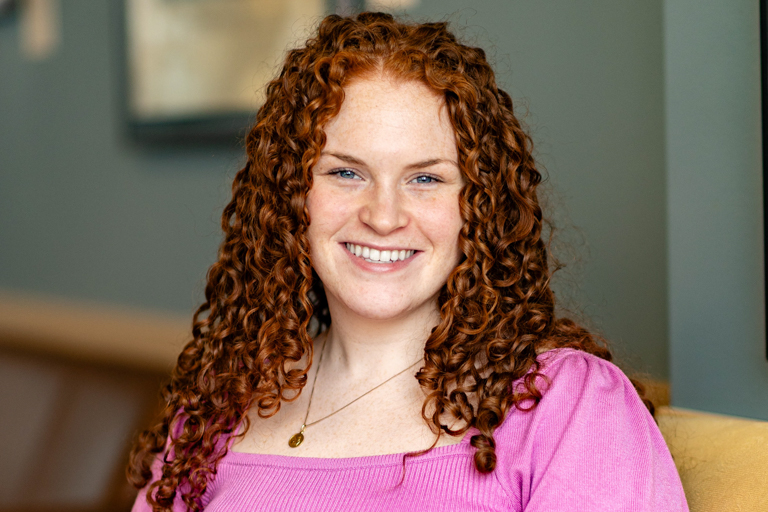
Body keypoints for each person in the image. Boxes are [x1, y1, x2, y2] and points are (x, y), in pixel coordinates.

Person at [128, 12, 688, 512]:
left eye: (426, 178)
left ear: (480, 205)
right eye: (346, 172)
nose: (384, 215)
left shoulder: (570, 406)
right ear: (290, 196)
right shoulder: (216, 415)